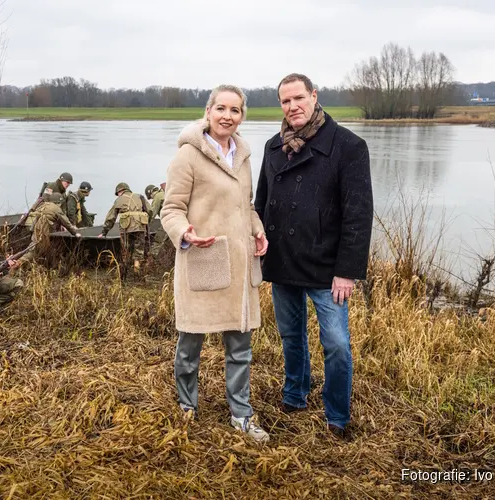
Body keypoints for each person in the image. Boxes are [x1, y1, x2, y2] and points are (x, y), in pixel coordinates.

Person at [254, 73, 373, 439]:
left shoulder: (348, 145)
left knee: (336, 343)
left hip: (327, 269)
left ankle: (337, 416)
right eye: (285, 101)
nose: (293, 107)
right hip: (283, 261)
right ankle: (295, 395)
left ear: (314, 96)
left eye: (298, 98)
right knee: (291, 337)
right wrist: (257, 244)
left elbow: (358, 212)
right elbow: (260, 203)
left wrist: (347, 271)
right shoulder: (274, 147)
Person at [160, 84, 270, 444]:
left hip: (239, 268)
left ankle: (241, 414)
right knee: (190, 344)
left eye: (235, 110)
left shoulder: (244, 156)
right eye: (220, 108)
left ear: (242, 116)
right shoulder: (188, 156)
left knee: (240, 349)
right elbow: (170, 210)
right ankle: (186, 406)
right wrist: (185, 232)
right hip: (203, 259)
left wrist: (258, 230)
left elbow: (247, 204)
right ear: (208, 112)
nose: (227, 115)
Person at [98, 182, 150, 277]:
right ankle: (136, 270)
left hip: (126, 229)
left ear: (120, 191)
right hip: (140, 227)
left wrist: (104, 232)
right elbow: (150, 210)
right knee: (139, 249)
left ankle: (124, 273)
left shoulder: (119, 200)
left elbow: (111, 218)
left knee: (126, 249)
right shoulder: (140, 197)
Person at [20, 192, 81, 264]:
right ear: (59, 202)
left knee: (34, 247)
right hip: (41, 229)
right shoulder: (56, 208)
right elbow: (66, 223)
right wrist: (75, 233)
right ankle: (18, 263)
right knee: (36, 250)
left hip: (32, 227)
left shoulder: (44, 205)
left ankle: (25, 261)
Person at [145, 184, 170, 258]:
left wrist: (145, 226)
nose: (152, 198)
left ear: (151, 192)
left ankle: (151, 261)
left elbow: (152, 214)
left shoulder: (158, 196)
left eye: (151, 197)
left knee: (158, 241)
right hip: (178, 220)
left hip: (168, 221)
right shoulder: (165, 193)